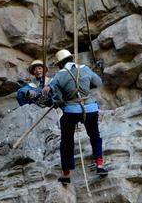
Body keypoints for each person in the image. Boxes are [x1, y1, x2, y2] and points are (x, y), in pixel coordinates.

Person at [42, 49, 106, 184]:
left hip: (71, 111)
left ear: (59, 64)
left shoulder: (58, 76)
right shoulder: (85, 69)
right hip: (90, 109)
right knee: (95, 136)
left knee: (66, 141)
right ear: (71, 59)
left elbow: (58, 99)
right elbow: (98, 82)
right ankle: (100, 165)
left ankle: (66, 174)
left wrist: (59, 104)